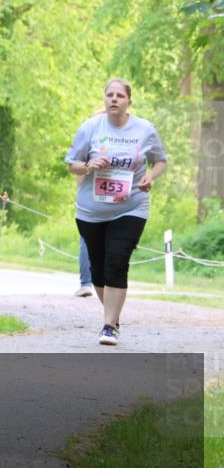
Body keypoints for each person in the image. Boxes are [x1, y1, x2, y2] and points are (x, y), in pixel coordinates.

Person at [65, 79, 167, 346]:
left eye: (119, 95)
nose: (114, 99)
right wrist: (88, 165)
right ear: (104, 99)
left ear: (128, 101)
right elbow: (71, 165)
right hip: (92, 210)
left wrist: (150, 178)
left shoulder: (145, 129)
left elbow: (160, 161)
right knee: (98, 268)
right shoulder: (90, 128)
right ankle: (114, 315)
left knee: (117, 261)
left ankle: (109, 326)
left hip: (131, 206)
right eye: (109, 95)